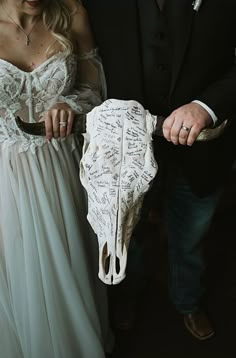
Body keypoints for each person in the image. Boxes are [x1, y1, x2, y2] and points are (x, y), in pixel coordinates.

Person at [84, 0, 236, 340]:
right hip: (124, 151)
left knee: (190, 238)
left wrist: (206, 107)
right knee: (127, 233)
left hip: (203, 147)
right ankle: (126, 295)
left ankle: (188, 301)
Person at [0, 0, 112, 357]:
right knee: (18, 270)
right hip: (6, 176)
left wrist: (71, 104)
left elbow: (95, 89)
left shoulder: (71, 11)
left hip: (63, 166)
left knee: (72, 259)